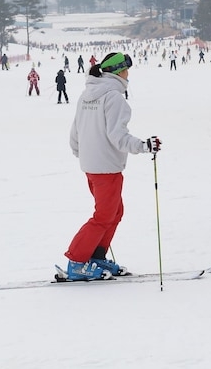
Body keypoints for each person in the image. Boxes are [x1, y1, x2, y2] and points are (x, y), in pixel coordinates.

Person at [63, 52, 161, 281]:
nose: (129, 74)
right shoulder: (114, 97)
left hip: (92, 165)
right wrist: (144, 146)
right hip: (106, 166)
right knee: (104, 215)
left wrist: (84, 155)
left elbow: (74, 132)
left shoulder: (87, 94)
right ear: (119, 71)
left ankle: (95, 255)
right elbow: (118, 136)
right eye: (127, 69)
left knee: (114, 212)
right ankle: (76, 262)